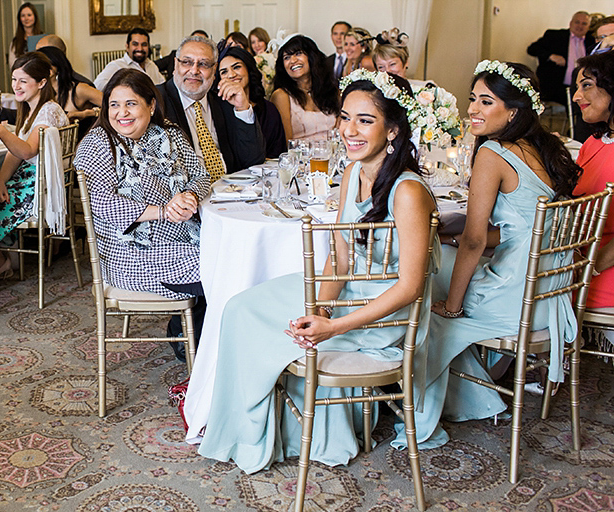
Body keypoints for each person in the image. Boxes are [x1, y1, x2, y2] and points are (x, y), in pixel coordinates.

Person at [191, 70, 438, 472]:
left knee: (260, 318)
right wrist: (321, 308)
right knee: (238, 308)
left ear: (393, 131)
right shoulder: (355, 173)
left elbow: (410, 288)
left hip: (383, 316)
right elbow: (339, 260)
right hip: (347, 296)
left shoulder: (408, 191)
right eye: (345, 117)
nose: (349, 130)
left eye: (365, 120)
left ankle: (264, 433)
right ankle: (242, 432)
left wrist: (334, 327)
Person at [412, 60, 581, 450]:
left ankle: (440, 403)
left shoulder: (493, 153)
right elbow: (518, 227)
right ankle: (477, 391)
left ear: (514, 110)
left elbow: (474, 240)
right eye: (472, 98)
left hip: (516, 300)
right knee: (447, 255)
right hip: (550, 295)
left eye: (486, 101)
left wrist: (452, 305)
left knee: (426, 286)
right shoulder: (545, 146)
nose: (472, 108)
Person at [73, 69, 210, 299]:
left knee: (235, 256)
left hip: (186, 238)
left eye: (131, 103)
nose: (121, 112)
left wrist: (190, 196)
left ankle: (192, 329)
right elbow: (103, 203)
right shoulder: (98, 143)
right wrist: (164, 211)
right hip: (132, 255)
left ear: (151, 106)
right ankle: (200, 330)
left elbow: (201, 176)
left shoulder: (169, 134)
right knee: (225, 268)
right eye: (114, 104)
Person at [0, 52, 68, 289]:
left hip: (40, 187)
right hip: (29, 180)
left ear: (41, 83)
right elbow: (14, 153)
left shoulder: (49, 110)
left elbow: (27, 151)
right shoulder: (30, 109)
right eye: (14, 79)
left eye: (23, 81)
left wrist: (1, 131)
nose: (16, 86)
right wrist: (0, 182)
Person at [158, 35, 265, 180]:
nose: (194, 71)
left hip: (229, 191)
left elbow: (253, 160)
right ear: (176, 65)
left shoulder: (224, 100)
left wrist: (242, 108)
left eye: (203, 64)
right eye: (187, 62)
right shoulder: (156, 101)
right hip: (185, 196)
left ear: (214, 70)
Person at [571, 51, 614, 332]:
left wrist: (589, 266)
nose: (576, 96)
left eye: (586, 85)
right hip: (578, 259)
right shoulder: (593, 143)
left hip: (603, 266)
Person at [216, 46, 285, 158]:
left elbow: (279, 153)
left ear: (248, 69)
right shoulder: (218, 111)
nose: (231, 75)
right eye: (224, 72)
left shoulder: (269, 109)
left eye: (237, 67)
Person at [269, 34, 338, 141]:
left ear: (311, 57)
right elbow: (287, 142)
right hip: (301, 156)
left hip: (333, 154)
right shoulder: (282, 96)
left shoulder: (331, 90)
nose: (293, 61)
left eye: (298, 53)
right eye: (287, 58)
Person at [526, 11, 593, 107]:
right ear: (570, 23)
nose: (580, 26)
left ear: (589, 26)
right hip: (556, 86)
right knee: (576, 102)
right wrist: (551, 56)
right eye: (577, 22)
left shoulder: (592, 41)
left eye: (584, 23)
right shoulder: (555, 36)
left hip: (582, 87)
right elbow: (532, 49)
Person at [37, 46, 102, 132]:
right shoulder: (40, 91)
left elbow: (115, 105)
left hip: (80, 142)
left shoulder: (78, 89)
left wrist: (86, 113)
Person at [93, 27, 164, 91]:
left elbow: (163, 85)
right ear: (127, 47)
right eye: (135, 44)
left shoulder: (151, 65)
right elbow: (97, 86)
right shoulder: (117, 65)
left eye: (144, 45)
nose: (140, 48)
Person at [8, 2, 43, 69]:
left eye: (29, 15)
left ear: (35, 17)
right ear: (20, 19)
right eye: (23, 16)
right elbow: (12, 64)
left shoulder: (43, 38)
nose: (26, 18)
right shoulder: (16, 42)